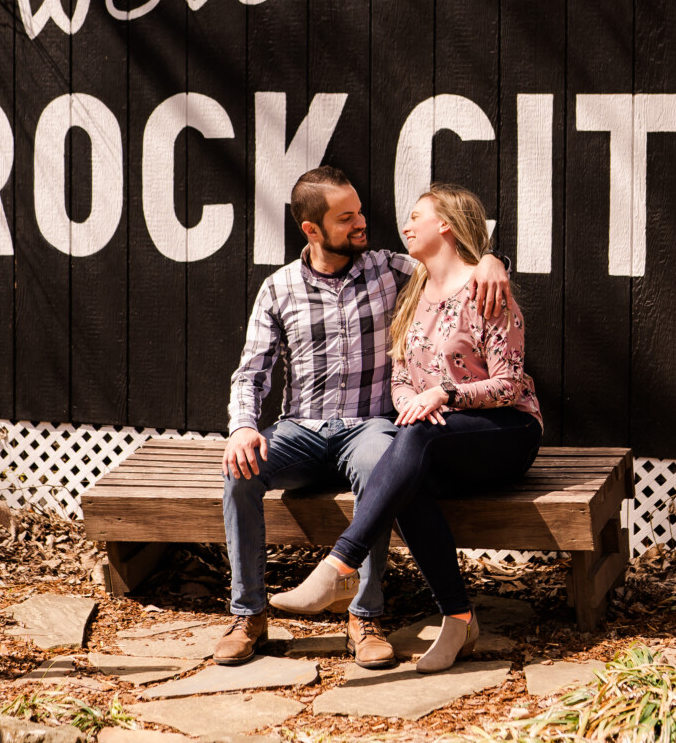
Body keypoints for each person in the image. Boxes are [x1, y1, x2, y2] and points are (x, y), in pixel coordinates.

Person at [214, 166, 510, 669]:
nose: (361, 223)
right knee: (240, 470)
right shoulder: (279, 289)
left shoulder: (391, 269)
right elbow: (252, 373)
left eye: (359, 212)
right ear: (311, 229)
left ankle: (365, 616)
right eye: (345, 218)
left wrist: (492, 259)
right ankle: (248, 614)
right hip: (300, 430)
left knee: (383, 466)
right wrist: (243, 426)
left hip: (369, 427)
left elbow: (451, 264)